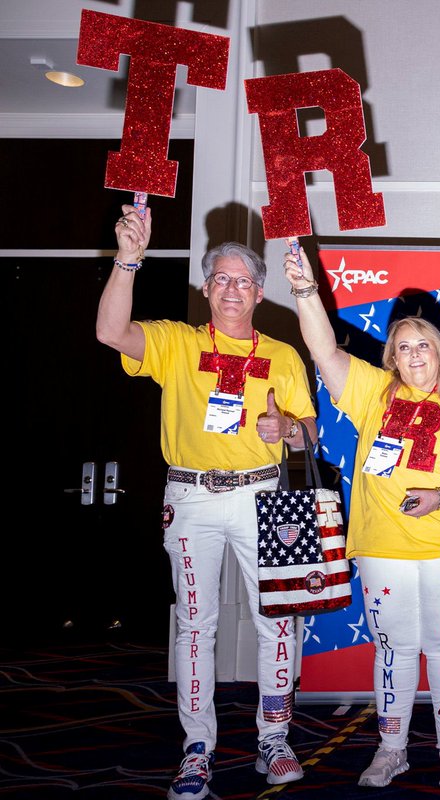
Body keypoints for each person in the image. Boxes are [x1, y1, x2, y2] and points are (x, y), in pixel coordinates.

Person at [96, 208, 317, 800]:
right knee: (195, 626)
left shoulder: (283, 353)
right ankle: (198, 748)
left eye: (242, 280)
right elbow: (111, 333)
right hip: (191, 498)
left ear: (259, 291)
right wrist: (127, 260)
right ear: (205, 286)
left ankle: (274, 737)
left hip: (261, 498)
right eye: (220, 278)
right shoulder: (177, 341)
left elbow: (310, 434)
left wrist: (287, 426)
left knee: (278, 619)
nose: (230, 289)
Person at [283, 245, 440, 789]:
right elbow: (321, 348)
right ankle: (392, 748)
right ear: (392, 356)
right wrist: (306, 291)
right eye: (402, 347)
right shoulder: (373, 393)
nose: (413, 355)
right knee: (394, 649)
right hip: (383, 545)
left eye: (422, 346)